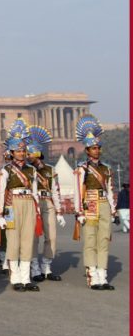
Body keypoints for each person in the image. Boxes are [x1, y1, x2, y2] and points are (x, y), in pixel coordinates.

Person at [73, 115, 117, 290]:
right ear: (87, 150)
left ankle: (103, 275)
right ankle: (92, 275)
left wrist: (112, 210)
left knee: (104, 240)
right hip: (89, 204)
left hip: (104, 203)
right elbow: (78, 190)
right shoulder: (82, 168)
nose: (96, 151)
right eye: (93, 148)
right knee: (90, 240)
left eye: (98, 148)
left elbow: (110, 189)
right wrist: (79, 212)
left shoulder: (106, 168)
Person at [0, 124, 40, 292]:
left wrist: (37, 211)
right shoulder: (5, 170)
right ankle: (15, 278)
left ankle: (26, 277)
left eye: (23, 150)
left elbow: (35, 192)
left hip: (28, 202)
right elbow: (0, 192)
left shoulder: (32, 170)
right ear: (11, 153)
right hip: (12, 204)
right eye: (18, 150)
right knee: (13, 240)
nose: (21, 153)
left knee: (28, 240)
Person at [25, 126, 65, 282]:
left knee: (51, 237)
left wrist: (60, 211)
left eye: (30, 154)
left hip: (47, 202)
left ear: (37, 153)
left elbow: (55, 190)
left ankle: (46, 266)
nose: (28, 156)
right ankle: (34, 267)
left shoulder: (50, 169)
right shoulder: (26, 171)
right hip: (32, 204)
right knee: (33, 237)